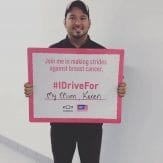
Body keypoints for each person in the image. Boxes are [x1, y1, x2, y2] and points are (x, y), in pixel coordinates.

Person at [24, 1, 127, 163]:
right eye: (72, 17)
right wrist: (32, 90)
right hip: (61, 127)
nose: (78, 22)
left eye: (82, 17)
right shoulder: (50, 53)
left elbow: (111, 86)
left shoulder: (103, 54)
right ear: (65, 22)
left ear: (89, 23)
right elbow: (43, 87)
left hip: (91, 127)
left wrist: (119, 89)